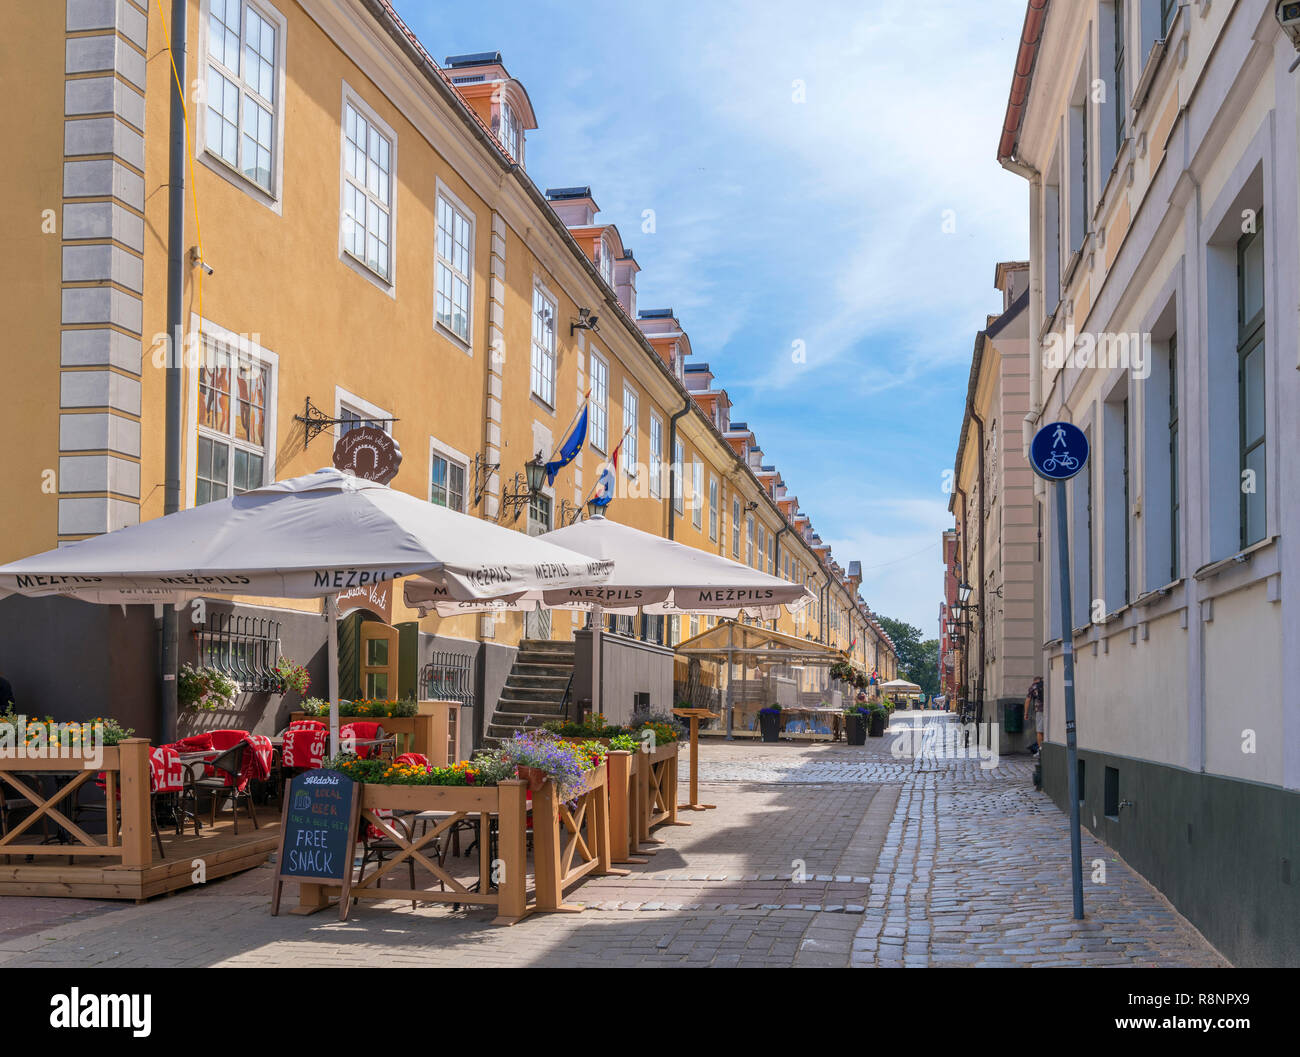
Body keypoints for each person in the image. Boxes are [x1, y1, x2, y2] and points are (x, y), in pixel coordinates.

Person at [1026, 676, 1044, 750]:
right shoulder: (1047, 683)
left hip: (1039, 710)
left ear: (1034, 681)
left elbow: (1027, 701)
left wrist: (1026, 713)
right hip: (1050, 709)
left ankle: (1041, 750)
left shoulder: (1033, 687)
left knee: (1039, 731)